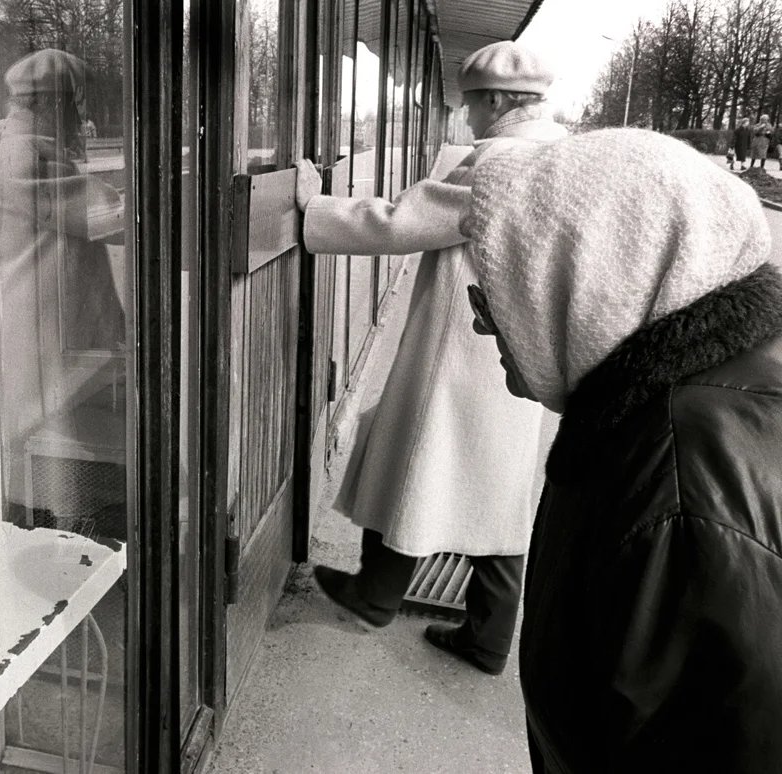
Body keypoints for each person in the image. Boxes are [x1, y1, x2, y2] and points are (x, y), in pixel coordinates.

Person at [464, 128, 782, 772]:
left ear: (586, 287)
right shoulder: (648, 407)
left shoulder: (681, 491)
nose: (480, 321)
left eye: (493, 296)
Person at [293, 40, 566, 675]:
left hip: (465, 346)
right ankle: (490, 637)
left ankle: (375, 594)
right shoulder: (565, 159)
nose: (467, 119)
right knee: (497, 496)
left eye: (471, 105)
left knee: (410, 459)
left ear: (497, 101)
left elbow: (398, 221)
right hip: (524, 351)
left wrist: (315, 206)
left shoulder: (498, 165)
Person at [0, 48, 126, 521]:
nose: (79, 116)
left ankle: (57, 522)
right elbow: (95, 214)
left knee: (58, 433)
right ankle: (35, 530)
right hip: (40, 323)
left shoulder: (40, 150)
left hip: (57, 321)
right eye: (72, 103)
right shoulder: (20, 156)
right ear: (47, 101)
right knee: (40, 437)